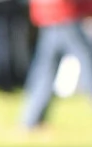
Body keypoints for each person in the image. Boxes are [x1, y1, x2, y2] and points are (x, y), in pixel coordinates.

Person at [19, 0, 92, 130]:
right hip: (66, 13)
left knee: (45, 68)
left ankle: (31, 119)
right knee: (88, 63)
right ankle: (31, 120)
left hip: (50, 14)